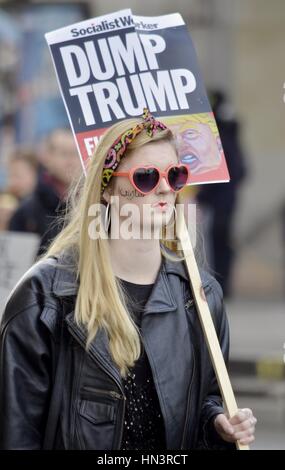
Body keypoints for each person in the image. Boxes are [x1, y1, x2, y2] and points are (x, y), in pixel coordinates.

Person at [0, 110, 256, 450]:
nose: (166, 189)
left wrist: (217, 426)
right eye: (146, 177)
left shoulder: (202, 295)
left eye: (176, 175)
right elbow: (17, 434)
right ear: (108, 189)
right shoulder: (44, 296)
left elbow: (204, 399)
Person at [8, 128, 82, 255]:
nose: (71, 161)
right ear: (47, 157)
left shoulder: (96, 203)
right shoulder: (26, 211)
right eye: (64, 154)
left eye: (76, 153)